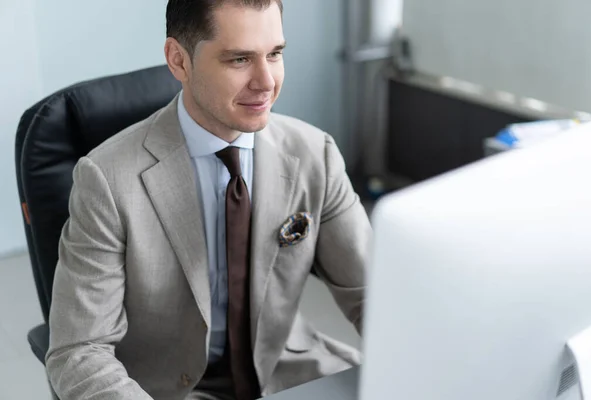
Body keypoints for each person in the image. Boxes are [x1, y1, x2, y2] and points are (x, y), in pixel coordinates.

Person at [45, 0, 371, 399]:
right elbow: (79, 350)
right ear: (178, 60)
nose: (266, 81)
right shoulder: (107, 180)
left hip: (287, 369)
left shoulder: (315, 154)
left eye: (275, 54)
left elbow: (373, 296)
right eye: (239, 59)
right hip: (162, 389)